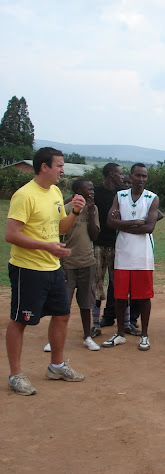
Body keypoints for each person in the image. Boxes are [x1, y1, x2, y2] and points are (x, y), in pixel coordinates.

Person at [5, 147, 87, 395]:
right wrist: (46, 246)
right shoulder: (24, 195)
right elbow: (11, 234)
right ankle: (15, 375)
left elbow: (60, 227)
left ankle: (56, 366)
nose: (62, 170)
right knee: (20, 320)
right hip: (28, 269)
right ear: (44, 167)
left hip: (52, 267)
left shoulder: (54, 191)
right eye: (59, 165)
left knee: (62, 315)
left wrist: (75, 211)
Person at [102, 163, 160, 351]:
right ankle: (120, 333)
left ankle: (145, 335)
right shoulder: (120, 196)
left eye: (144, 176)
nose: (141, 179)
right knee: (120, 296)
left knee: (144, 297)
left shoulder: (152, 198)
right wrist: (135, 222)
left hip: (143, 255)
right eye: (138, 175)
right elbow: (110, 222)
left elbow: (149, 227)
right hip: (123, 253)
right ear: (131, 175)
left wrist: (122, 225)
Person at [49, 178, 101, 352]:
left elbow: (94, 236)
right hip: (68, 265)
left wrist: (91, 212)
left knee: (86, 304)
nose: (92, 192)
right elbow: (58, 237)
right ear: (78, 192)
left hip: (87, 263)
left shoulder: (93, 209)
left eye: (92, 189)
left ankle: (87, 337)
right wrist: (60, 264)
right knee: (62, 304)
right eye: (89, 189)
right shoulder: (65, 209)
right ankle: (54, 339)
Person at [92, 163, 141, 337]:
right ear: (112, 174)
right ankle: (95, 324)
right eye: (120, 174)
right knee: (97, 284)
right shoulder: (96, 192)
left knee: (121, 285)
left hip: (118, 245)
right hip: (98, 244)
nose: (122, 177)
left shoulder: (121, 194)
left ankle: (126, 323)